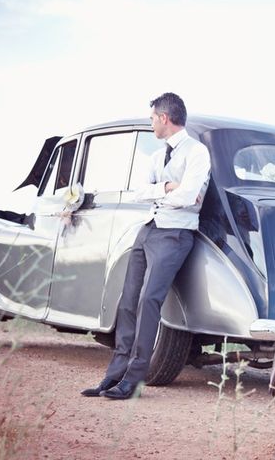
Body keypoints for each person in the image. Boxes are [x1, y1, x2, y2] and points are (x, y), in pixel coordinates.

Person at [81, 92, 210, 400]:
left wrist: (165, 192)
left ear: (164, 118)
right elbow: (138, 192)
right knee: (127, 302)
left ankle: (134, 381)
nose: (151, 123)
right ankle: (113, 376)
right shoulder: (156, 156)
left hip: (175, 235)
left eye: (153, 118)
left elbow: (191, 196)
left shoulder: (197, 153)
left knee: (148, 302)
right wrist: (167, 187)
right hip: (149, 230)